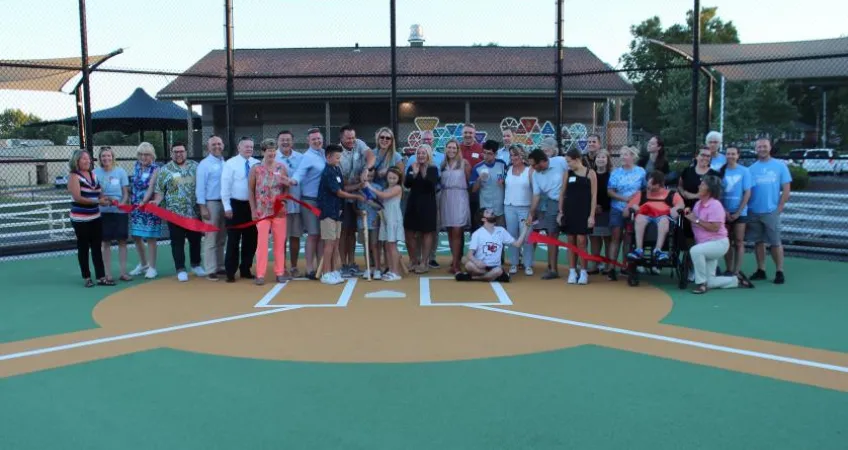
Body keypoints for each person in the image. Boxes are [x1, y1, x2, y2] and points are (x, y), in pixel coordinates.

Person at [684, 175, 755, 294]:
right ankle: (736, 280)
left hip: (717, 243)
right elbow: (694, 218)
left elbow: (715, 227)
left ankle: (701, 284)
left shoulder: (715, 205)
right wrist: (689, 214)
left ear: (709, 189)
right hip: (706, 245)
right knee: (711, 281)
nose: (699, 186)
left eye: (702, 184)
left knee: (695, 251)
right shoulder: (698, 204)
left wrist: (695, 219)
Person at [151, 142, 204, 282]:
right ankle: (180, 269)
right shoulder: (165, 170)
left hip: (194, 212)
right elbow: (159, 191)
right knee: (177, 242)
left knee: (195, 240)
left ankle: (196, 264)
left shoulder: (195, 167)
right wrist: (156, 202)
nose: (179, 154)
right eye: (176, 152)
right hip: (174, 214)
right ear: (171, 153)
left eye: (181, 151)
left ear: (186, 152)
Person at [318, 144, 365, 285]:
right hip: (328, 212)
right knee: (329, 244)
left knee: (336, 243)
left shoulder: (336, 169)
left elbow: (343, 187)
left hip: (338, 211)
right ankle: (326, 273)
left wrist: (358, 187)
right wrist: (357, 197)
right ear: (328, 157)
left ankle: (333, 271)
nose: (339, 160)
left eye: (340, 157)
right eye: (337, 157)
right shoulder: (327, 172)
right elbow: (338, 192)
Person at [746, 138, 791, 284]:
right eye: (759, 147)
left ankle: (779, 271)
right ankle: (761, 270)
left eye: (764, 146)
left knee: (775, 242)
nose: (762, 149)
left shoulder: (780, 166)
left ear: (770, 147)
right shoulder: (751, 169)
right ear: (756, 149)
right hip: (754, 211)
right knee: (758, 242)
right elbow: (748, 191)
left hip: (771, 211)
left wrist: (779, 208)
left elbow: (786, 189)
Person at [249, 138, 291, 285]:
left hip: (279, 211)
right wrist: (253, 209)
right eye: (269, 150)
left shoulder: (281, 168)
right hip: (262, 211)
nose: (272, 153)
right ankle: (260, 274)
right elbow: (251, 189)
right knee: (262, 244)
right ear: (263, 152)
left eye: (273, 150)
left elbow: (286, 186)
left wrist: (284, 200)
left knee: (279, 243)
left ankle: (279, 272)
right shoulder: (256, 169)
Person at [338, 125, 376, 277]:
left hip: (358, 195)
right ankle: (342, 264)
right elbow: (343, 185)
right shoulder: (337, 154)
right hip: (344, 196)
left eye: (353, 137)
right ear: (341, 138)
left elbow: (371, 156)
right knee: (343, 231)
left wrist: (366, 168)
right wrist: (358, 184)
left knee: (352, 231)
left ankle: (352, 262)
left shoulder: (359, 143)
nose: (351, 140)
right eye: (348, 138)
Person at [289, 128, 327, 279]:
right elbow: (299, 173)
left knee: (321, 235)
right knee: (313, 234)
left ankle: (320, 267)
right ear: (308, 141)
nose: (317, 141)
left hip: (324, 201)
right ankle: (310, 268)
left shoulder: (324, 154)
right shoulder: (307, 157)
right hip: (310, 201)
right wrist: (293, 180)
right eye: (314, 139)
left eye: (319, 138)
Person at [221, 136, 260, 282]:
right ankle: (230, 271)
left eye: (251, 146)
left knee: (251, 240)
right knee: (233, 240)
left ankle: (246, 269)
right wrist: (227, 207)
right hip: (235, 205)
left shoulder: (257, 164)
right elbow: (225, 186)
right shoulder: (230, 164)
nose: (249, 149)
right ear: (239, 148)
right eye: (246, 146)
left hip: (251, 206)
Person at [67, 149, 108, 287]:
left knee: (97, 246)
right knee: (83, 247)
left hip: (95, 217)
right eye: (84, 158)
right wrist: (97, 201)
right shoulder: (74, 176)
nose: (87, 161)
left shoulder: (93, 175)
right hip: (80, 219)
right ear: (76, 161)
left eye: (88, 158)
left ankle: (101, 277)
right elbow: (78, 197)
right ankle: (87, 277)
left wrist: (103, 198)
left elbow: (99, 192)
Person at [526, 147, 567, 280]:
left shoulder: (560, 161)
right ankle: (553, 269)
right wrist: (531, 214)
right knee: (552, 235)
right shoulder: (535, 175)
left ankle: (576, 268)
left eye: (534, 164)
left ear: (543, 161)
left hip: (571, 201)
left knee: (576, 236)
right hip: (553, 203)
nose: (532, 167)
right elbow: (536, 196)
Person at [606, 146, 646, 280]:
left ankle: (625, 266)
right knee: (616, 237)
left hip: (633, 209)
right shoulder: (616, 173)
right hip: (617, 208)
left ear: (633, 156)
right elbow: (610, 191)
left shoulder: (641, 172)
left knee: (628, 238)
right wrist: (624, 199)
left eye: (626, 154)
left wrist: (634, 201)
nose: (622, 157)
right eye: (621, 155)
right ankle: (611, 268)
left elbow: (645, 190)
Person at [625, 171, 685, 262]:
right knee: (639, 218)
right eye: (648, 183)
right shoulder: (641, 194)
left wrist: (676, 208)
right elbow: (625, 213)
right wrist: (632, 207)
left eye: (652, 184)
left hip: (663, 217)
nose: (648, 186)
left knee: (664, 220)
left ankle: (658, 250)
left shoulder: (672, 194)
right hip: (645, 216)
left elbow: (681, 206)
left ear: (660, 184)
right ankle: (638, 250)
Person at [558, 148, 597, 285]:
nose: (568, 164)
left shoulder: (590, 173)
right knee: (570, 240)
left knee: (581, 241)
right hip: (570, 211)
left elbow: (594, 196)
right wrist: (560, 212)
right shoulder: (567, 174)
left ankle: (584, 272)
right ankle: (572, 271)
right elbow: (562, 193)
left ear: (577, 159)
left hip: (584, 212)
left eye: (569, 161)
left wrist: (591, 216)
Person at [455, 208, 528, 282]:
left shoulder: (501, 230)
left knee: (498, 271)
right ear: (483, 219)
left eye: (491, 211)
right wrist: (477, 262)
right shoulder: (477, 234)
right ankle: (492, 276)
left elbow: (518, 244)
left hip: (495, 267)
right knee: (468, 265)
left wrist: (525, 228)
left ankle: (473, 278)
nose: (491, 212)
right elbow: (469, 254)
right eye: (487, 212)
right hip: (480, 267)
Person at [93, 146, 131, 283]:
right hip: (103, 213)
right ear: (100, 158)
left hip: (119, 212)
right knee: (106, 242)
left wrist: (122, 203)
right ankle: (107, 274)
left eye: (108, 156)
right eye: (103, 156)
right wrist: (104, 200)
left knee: (122, 241)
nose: (106, 158)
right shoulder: (95, 173)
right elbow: (95, 192)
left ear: (113, 157)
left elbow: (125, 191)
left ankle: (123, 272)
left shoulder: (120, 172)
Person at [404, 145, 440, 274]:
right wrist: (413, 173)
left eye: (423, 153)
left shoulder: (433, 168)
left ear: (428, 155)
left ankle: (424, 262)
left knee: (427, 232)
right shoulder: (412, 167)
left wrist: (423, 172)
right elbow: (407, 183)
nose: (420, 155)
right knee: (409, 232)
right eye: (418, 153)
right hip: (413, 202)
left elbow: (431, 185)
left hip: (428, 203)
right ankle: (413, 260)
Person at [128, 142, 161, 279]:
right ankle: (143, 264)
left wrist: (143, 202)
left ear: (152, 155)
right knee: (136, 236)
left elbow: (151, 188)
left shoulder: (156, 169)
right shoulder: (136, 167)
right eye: (141, 154)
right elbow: (133, 186)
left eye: (146, 154)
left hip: (149, 207)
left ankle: (152, 268)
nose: (143, 157)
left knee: (150, 237)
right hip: (135, 206)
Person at [196, 135, 227, 281]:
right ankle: (210, 269)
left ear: (223, 145)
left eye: (219, 144)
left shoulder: (225, 162)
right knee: (211, 237)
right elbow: (200, 188)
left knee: (221, 237)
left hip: (225, 203)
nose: (217, 146)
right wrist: (202, 207)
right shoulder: (204, 164)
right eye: (213, 144)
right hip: (211, 203)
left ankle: (220, 266)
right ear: (208, 147)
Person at [274, 130, 304, 278]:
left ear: (293, 141)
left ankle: (293, 266)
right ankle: (281, 267)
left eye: (288, 139)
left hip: (296, 203)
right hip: (279, 206)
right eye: (282, 140)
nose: (285, 142)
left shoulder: (300, 158)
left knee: (295, 236)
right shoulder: (272, 158)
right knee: (281, 238)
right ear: (278, 142)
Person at [366, 166, 404, 281]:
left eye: (394, 178)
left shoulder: (397, 188)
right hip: (386, 218)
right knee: (388, 246)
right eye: (389, 178)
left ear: (398, 179)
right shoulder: (386, 188)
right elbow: (381, 203)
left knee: (392, 246)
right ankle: (391, 269)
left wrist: (370, 187)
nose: (391, 180)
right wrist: (370, 201)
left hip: (393, 218)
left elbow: (384, 196)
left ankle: (396, 272)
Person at [439, 139, 471, 274]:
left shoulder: (464, 164)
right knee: (450, 231)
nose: (451, 150)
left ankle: (457, 264)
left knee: (458, 231)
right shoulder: (442, 164)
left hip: (460, 197)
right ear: (446, 149)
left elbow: (469, 181)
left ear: (458, 150)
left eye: (454, 148)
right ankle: (454, 260)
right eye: (449, 147)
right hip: (446, 197)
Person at [720, 146, 752, 275]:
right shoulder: (720, 171)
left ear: (738, 156)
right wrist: (724, 211)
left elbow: (747, 192)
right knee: (726, 241)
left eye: (733, 154)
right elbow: (717, 194)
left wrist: (738, 212)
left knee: (739, 241)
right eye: (728, 154)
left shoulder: (745, 171)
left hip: (740, 213)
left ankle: (737, 271)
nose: (730, 156)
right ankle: (728, 269)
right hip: (724, 213)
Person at [503, 144, 534, 276]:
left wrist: (533, 211)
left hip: (525, 207)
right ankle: (514, 263)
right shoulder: (508, 170)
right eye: (511, 155)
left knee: (527, 237)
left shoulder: (530, 170)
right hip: (509, 207)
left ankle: (528, 265)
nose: (513, 157)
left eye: (516, 155)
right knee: (512, 236)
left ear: (522, 155)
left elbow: (535, 191)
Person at [470, 140, 508, 226]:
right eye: (484, 153)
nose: (486, 156)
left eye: (489, 153)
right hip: (486, 210)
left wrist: (503, 182)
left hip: (500, 209)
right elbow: (473, 190)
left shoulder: (502, 164)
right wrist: (479, 179)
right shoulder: (477, 168)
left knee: (500, 235)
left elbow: (508, 184)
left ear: (495, 154)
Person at [588, 150, 612, 274]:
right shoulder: (591, 174)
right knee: (594, 238)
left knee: (607, 238)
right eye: (598, 157)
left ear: (607, 161)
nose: (601, 159)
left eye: (603, 157)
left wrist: (603, 206)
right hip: (594, 211)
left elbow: (612, 193)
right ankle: (594, 264)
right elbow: (588, 193)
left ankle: (608, 264)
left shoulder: (611, 175)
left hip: (607, 210)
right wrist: (594, 206)